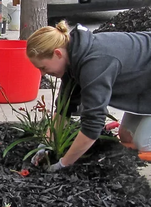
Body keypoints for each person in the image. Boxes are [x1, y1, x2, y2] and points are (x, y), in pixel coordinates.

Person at [26, 21, 151, 172]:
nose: (42, 74)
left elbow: (92, 125)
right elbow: (64, 110)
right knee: (126, 136)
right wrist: (45, 145)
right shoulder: (72, 57)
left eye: (43, 67)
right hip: (145, 83)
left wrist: (63, 164)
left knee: (145, 144)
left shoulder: (94, 65)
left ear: (58, 53)